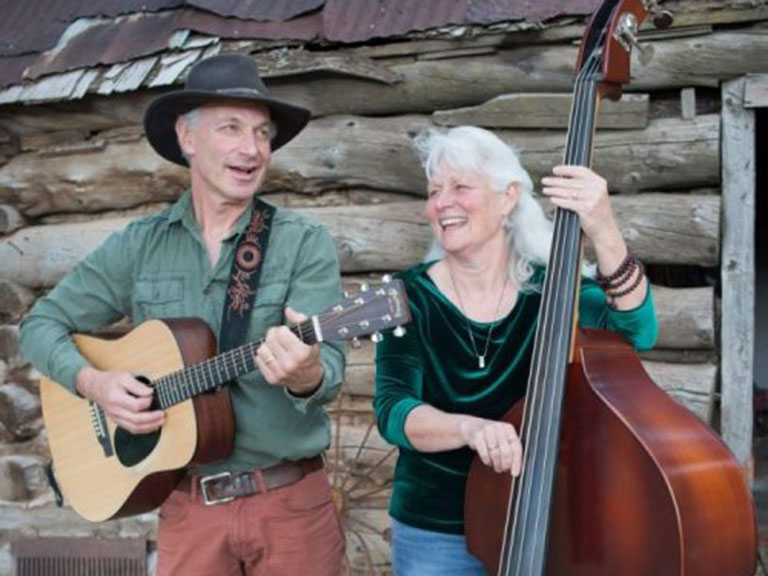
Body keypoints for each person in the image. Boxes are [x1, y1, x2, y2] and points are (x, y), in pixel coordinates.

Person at [20, 54, 345, 576]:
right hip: (189, 510)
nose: (252, 149)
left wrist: (306, 372)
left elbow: (329, 369)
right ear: (187, 139)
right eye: (232, 129)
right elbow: (39, 326)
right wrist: (94, 383)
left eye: (262, 133)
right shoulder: (139, 247)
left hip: (289, 507)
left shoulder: (301, 243)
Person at [373, 126, 658, 575]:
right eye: (433, 191)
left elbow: (636, 331)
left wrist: (602, 226)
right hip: (438, 530)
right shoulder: (407, 295)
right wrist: (470, 429)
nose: (441, 203)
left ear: (507, 199)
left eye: (460, 187)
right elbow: (393, 409)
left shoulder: (553, 289)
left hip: (545, 517)